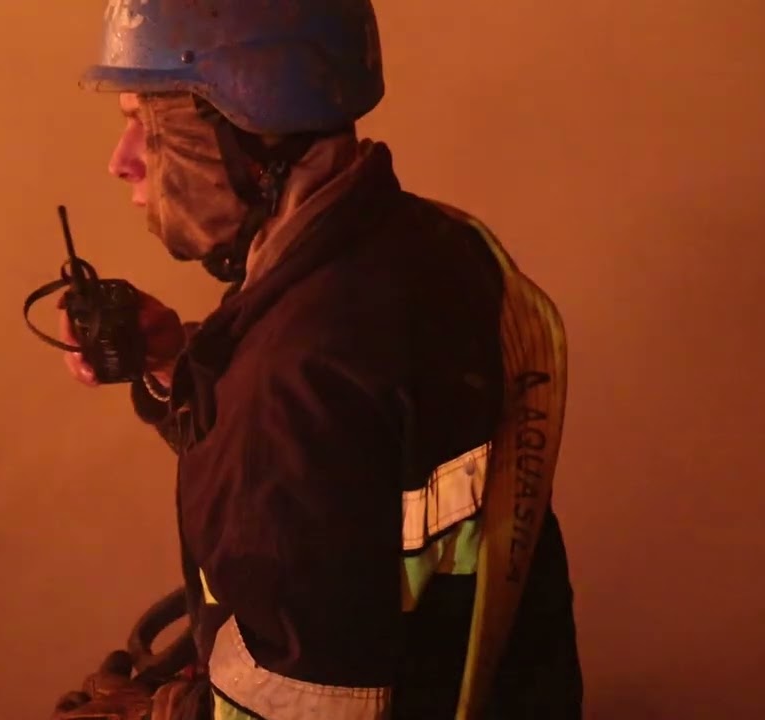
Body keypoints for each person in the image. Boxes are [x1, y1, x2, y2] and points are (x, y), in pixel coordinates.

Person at [52, 1, 583, 718]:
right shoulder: (434, 248)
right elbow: (345, 467)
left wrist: (160, 713)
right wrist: (179, 362)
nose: (121, 163)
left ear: (248, 125)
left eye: (144, 123)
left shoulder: (293, 377)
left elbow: (299, 704)